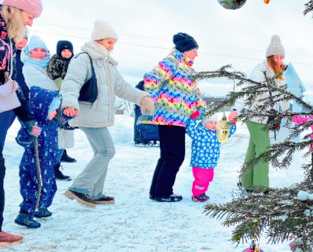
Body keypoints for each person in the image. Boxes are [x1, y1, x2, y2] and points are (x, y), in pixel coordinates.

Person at [60, 20, 154, 207]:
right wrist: (69, 102)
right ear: (98, 40)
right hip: (87, 113)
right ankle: (80, 187)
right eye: (109, 42)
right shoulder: (83, 59)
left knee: (100, 152)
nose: (112, 47)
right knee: (107, 151)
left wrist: (142, 98)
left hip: (99, 115)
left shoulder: (107, 64)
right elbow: (71, 82)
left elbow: (122, 87)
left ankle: (94, 192)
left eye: (114, 43)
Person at [0, 0, 43, 247]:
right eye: (30, 16)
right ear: (16, 10)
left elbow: (11, 82)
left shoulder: (8, 41)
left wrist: (25, 116)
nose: (31, 24)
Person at [144, 32, 204, 202]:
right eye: (194, 50)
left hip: (178, 118)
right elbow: (151, 79)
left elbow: (193, 92)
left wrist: (199, 106)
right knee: (174, 156)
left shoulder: (187, 68)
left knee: (168, 155)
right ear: (185, 51)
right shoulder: (172, 62)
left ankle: (157, 191)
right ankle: (163, 192)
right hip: (169, 117)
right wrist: (153, 101)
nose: (196, 54)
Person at [15, 35, 61, 228]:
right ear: (28, 52)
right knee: (35, 168)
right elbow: (37, 94)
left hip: (49, 127)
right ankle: (26, 211)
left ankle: (41, 205)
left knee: (47, 164)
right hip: (37, 124)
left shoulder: (50, 68)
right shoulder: (28, 69)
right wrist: (58, 98)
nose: (40, 53)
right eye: (35, 50)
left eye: (43, 50)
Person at [240, 34, 289, 194]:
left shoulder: (277, 72)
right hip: (255, 116)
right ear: (269, 57)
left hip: (263, 116)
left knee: (254, 149)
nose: (279, 60)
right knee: (264, 150)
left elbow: (283, 94)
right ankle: (260, 187)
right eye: (275, 56)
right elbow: (249, 91)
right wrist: (236, 110)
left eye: (281, 57)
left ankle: (247, 182)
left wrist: (286, 111)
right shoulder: (259, 70)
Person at [187, 110, 238, 202]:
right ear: (204, 123)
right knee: (201, 180)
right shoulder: (198, 133)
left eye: (215, 123)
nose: (214, 125)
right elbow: (189, 129)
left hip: (211, 163)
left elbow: (228, 133)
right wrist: (193, 118)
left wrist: (233, 123)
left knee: (208, 179)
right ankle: (197, 195)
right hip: (200, 163)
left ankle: (202, 193)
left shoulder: (217, 134)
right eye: (210, 123)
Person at [47, 39, 77, 178]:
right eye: (64, 51)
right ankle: (55, 165)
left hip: (70, 96)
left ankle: (62, 154)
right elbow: (54, 75)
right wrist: (62, 87)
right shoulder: (55, 61)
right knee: (60, 129)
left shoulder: (75, 62)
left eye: (69, 50)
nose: (66, 53)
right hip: (60, 96)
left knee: (66, 129)